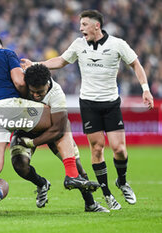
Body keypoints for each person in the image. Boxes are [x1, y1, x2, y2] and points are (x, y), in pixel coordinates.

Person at [21, 10, 154, 209]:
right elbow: (61, 61)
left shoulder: (117, 44)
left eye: (84, 24)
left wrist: (145, 89)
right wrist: (36, 64)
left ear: (96, 26)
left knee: (119, 149)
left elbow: (135, 64)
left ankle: (122, 181)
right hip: (89, 104)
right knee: (97, 148)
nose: (81, 28)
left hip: (110, 103)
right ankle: (107, 194)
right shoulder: (78, 45)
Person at [0, 35, 99, 214]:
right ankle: (71, 175)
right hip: (10, 108)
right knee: (59, 121)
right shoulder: (6, 54)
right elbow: (19, 82)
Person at [11, 64, 108, 212]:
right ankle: (42, 183)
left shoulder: (56, 94)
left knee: (76, 167)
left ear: (48, 84)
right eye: (33, 92)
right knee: (20, 166)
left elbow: (58, 129)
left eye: (40, 92)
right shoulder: (21, 85)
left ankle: (91, 204)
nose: (36, 95)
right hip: (26, 128)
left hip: (52, 130)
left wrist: (32, 143)